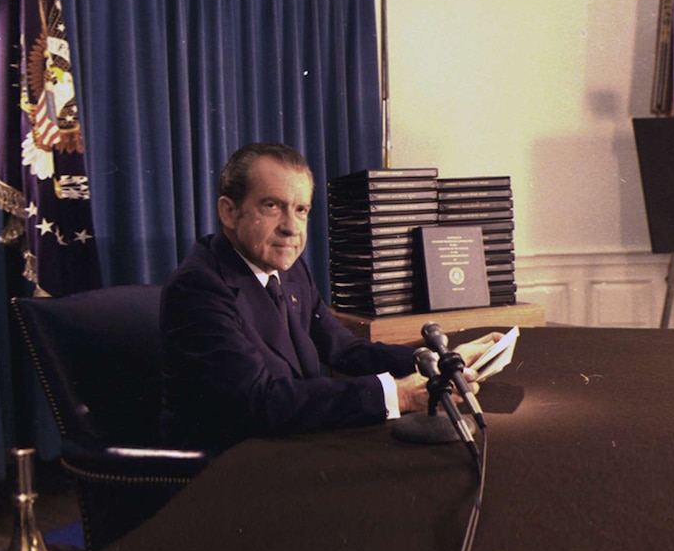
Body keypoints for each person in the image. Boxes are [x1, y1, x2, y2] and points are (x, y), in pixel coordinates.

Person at [160, 143, 499, 450]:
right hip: (226, 469)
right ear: (229, 212)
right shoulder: (198, 287)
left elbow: (345, 349)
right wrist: (399, 394)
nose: (291, 227)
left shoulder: (288, 268)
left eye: (301, 210)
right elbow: (259, 401)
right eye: (272, 206)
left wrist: (437, 362)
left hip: (289, 442)